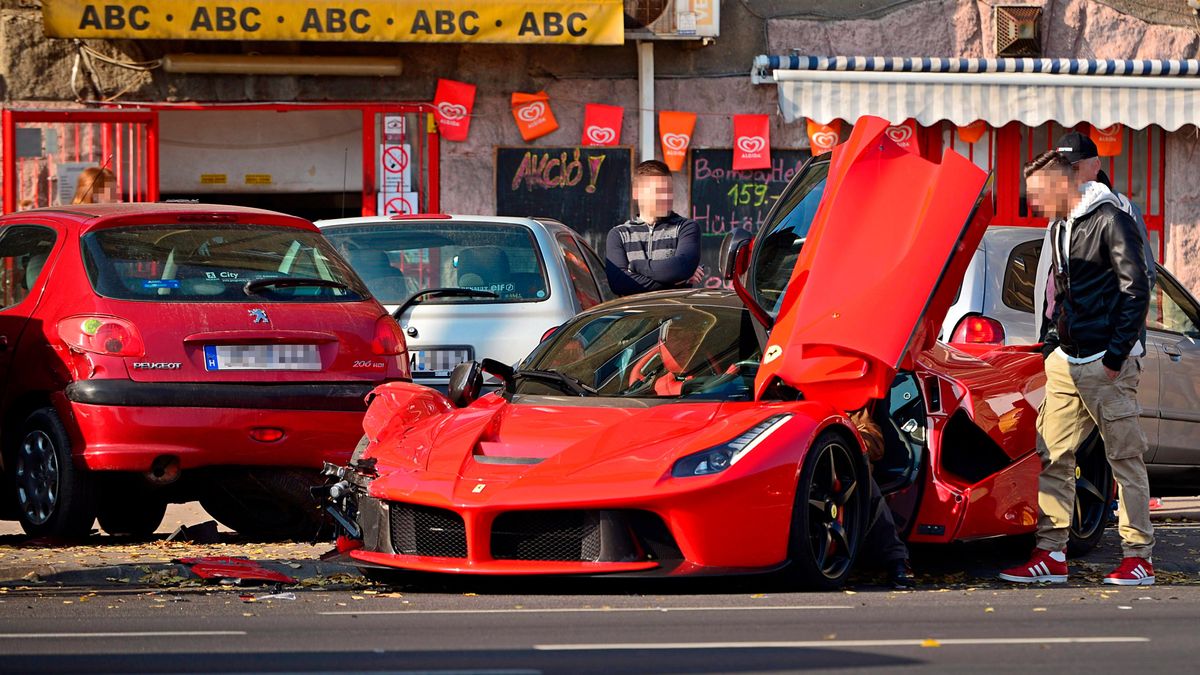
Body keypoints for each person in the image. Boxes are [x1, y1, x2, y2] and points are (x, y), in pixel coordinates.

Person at [1000, 149, 1155, 586]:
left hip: (1107, 362)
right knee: (1053, 456)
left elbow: (1136, 288)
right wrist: (1052, 344)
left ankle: (1138, 558)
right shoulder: (1061, 225)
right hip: (1067, 361)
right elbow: (1058, 290)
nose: (1035, 204)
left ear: (1063, 184)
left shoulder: (1110, 218)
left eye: (1038, 194)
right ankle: (1051, 555)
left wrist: (1115, 355)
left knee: (1124, 459)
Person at [1032, 132, 1156, 348]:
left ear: (1096, 165)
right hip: (1065, 349)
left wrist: (1115, 349)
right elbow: (1049, 281)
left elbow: (1143, 278)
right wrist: (1047, 338)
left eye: (1075, 168)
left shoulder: (1121, 209)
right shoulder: (1058, 213)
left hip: (1104, 348)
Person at [606, 160, 702, 296]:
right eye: (659, 192)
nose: (666, 197)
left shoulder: (685, 228)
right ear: (637, 194)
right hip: (633, 317)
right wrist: (674, 282)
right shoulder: (619, 234)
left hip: (676, 316)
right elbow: (619, 284)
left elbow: (681, 268)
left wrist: (635, 267)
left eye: (669, 191)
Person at [849, 408, 915, 589]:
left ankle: (897, 559)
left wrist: (844, 437)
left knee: (863, 481)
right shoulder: (773, 399)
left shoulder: (846, 404)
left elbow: (875, 444)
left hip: (844, 475)